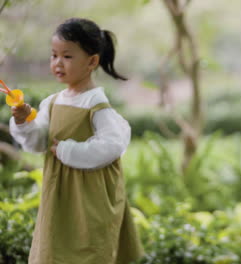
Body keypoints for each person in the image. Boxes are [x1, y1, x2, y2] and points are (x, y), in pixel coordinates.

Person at [9, 18, 144, 264]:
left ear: (92, 61)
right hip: (59, 194)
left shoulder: (96, 105)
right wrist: (23, 122)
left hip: (90, 198)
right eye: (53, 55)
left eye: (67, 56)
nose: (57, 63)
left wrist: (69, 151)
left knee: (88, 251)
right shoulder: (52, 102)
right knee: (53, 250)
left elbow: (112, 145)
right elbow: (40, 142)